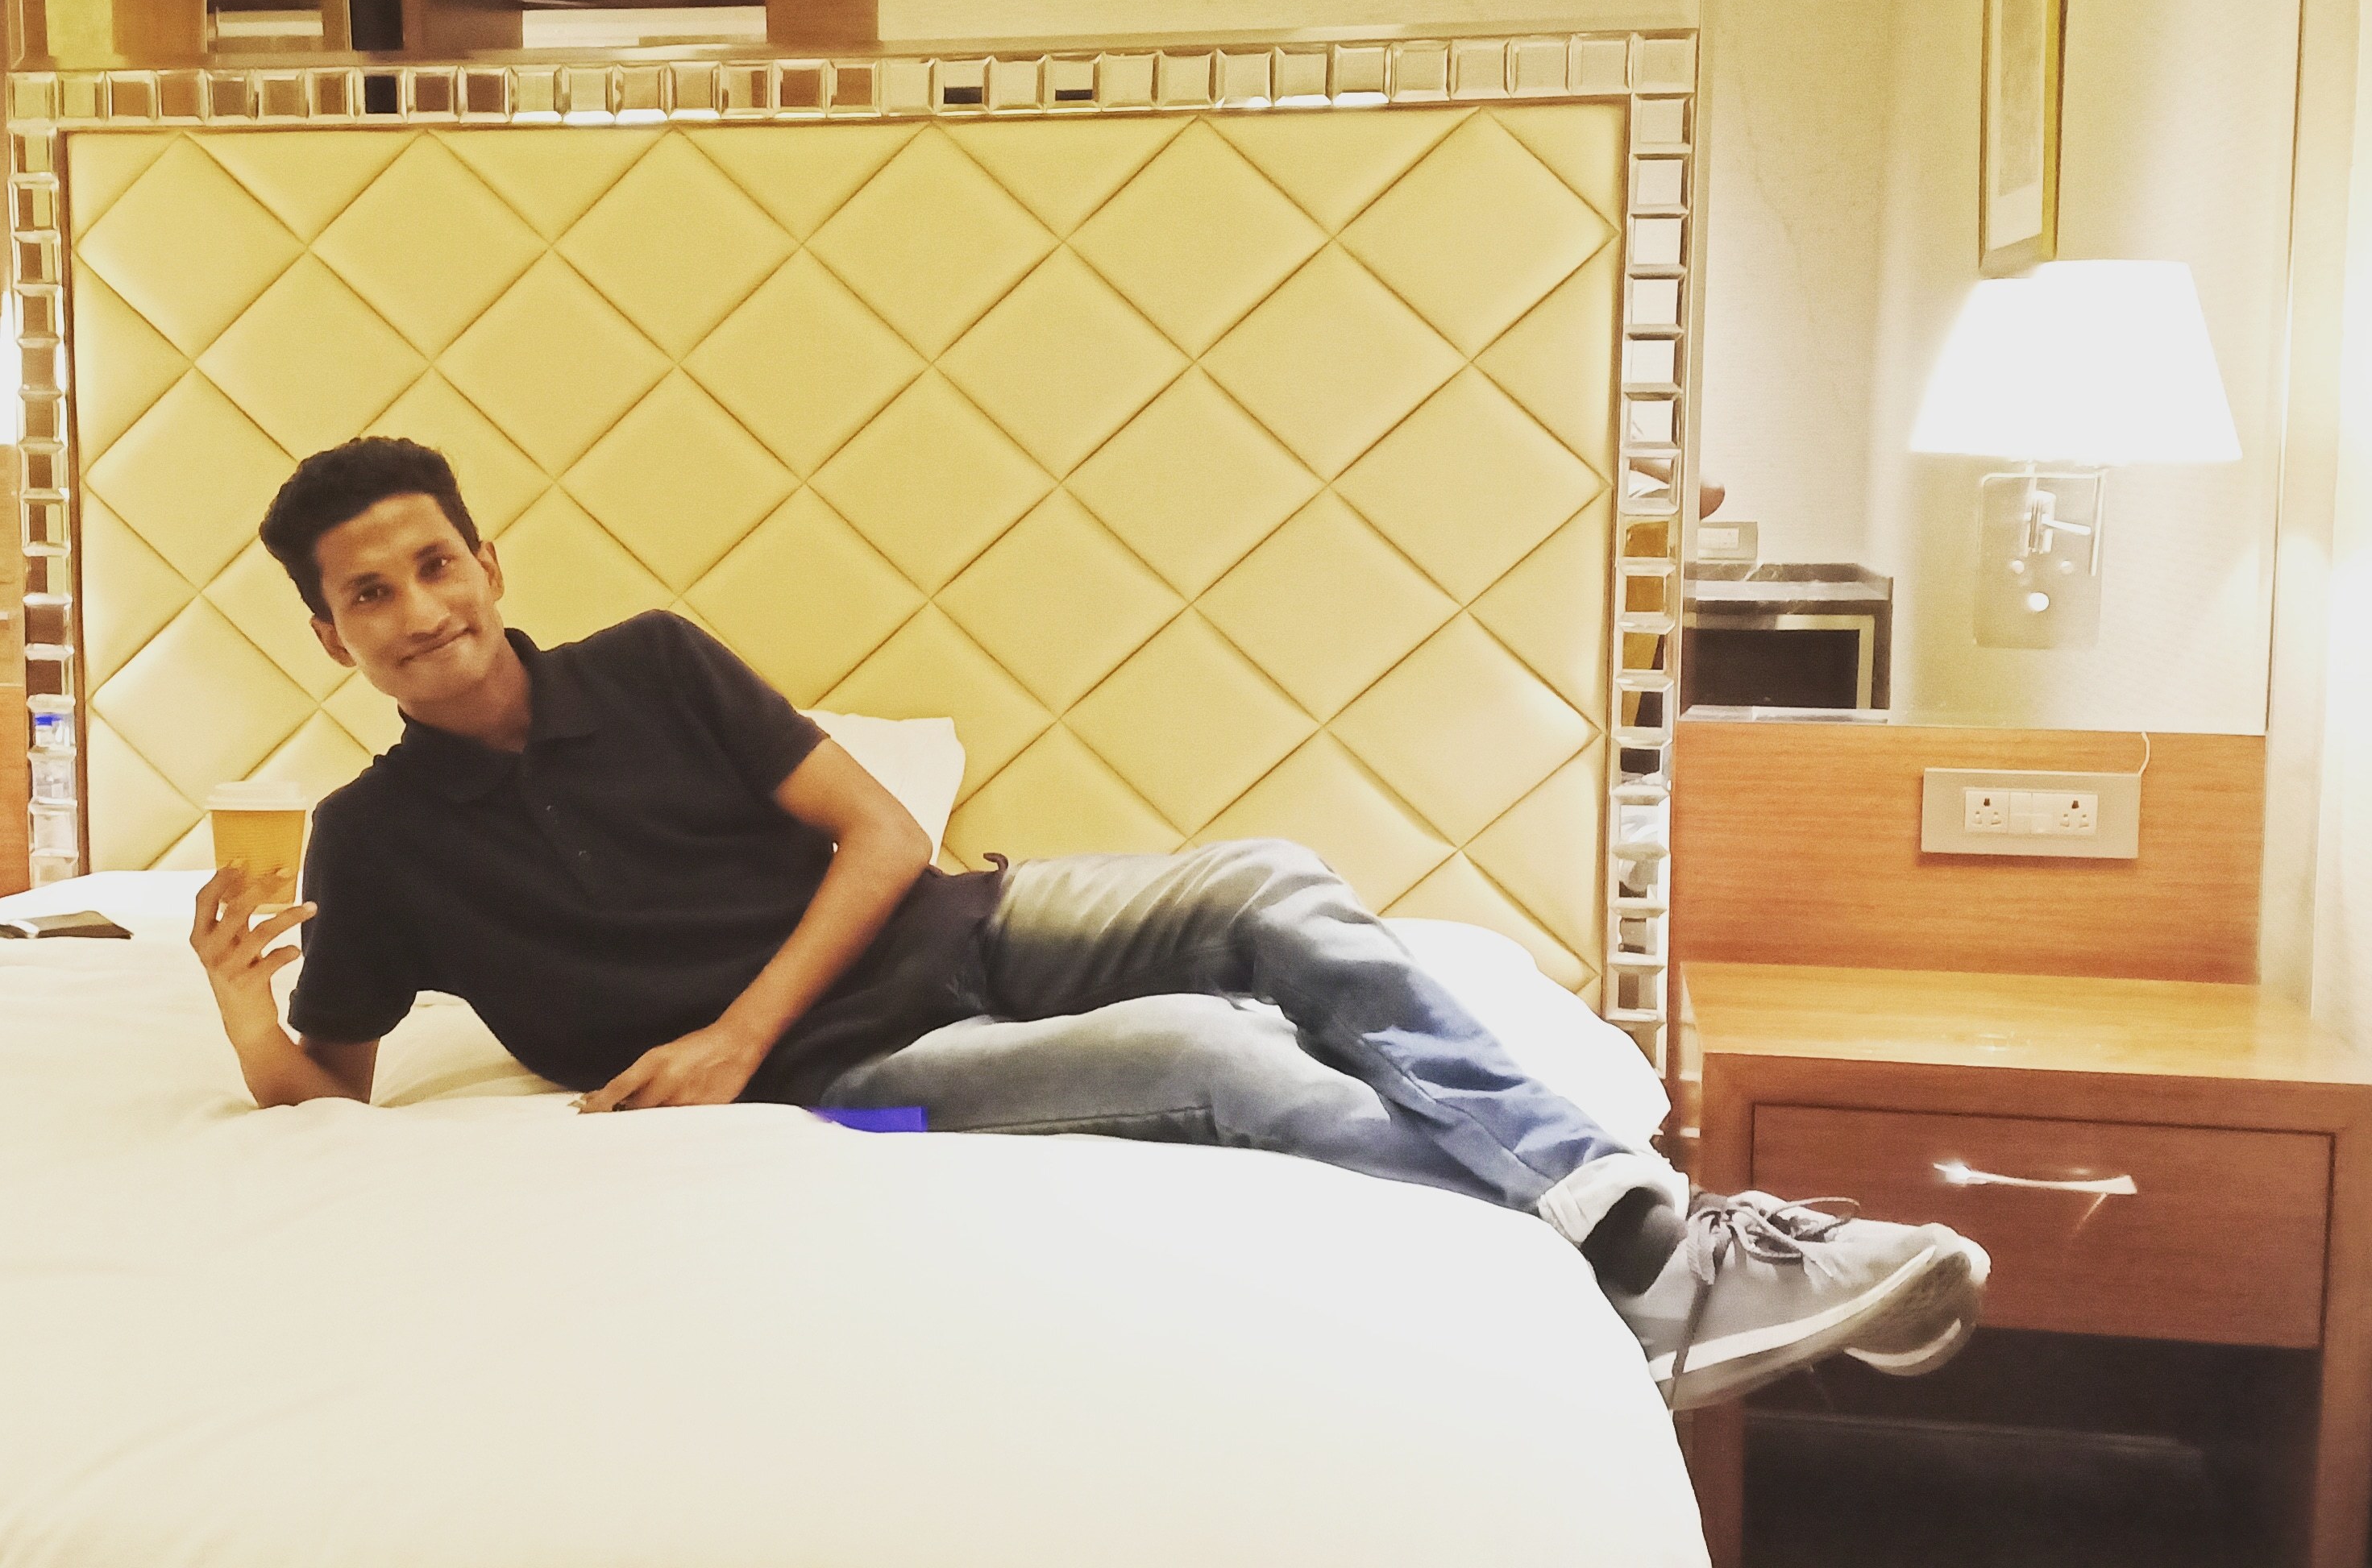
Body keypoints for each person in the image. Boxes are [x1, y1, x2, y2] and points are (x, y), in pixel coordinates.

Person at [188, 437, 1988, 1409]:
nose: (420, 609)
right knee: (1219, 1060)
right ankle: (1656, 1283)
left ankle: (1632, 1218)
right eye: (371, 593)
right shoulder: (375, 839)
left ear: (490, 563)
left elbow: (884, 832)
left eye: (437, 562)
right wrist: (236, 1003)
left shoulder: (653, 663)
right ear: (331, 638)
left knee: (1269, 886)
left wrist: (732, 1022)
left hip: (959, 923)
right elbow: (329, 1084)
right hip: (856, 1087)